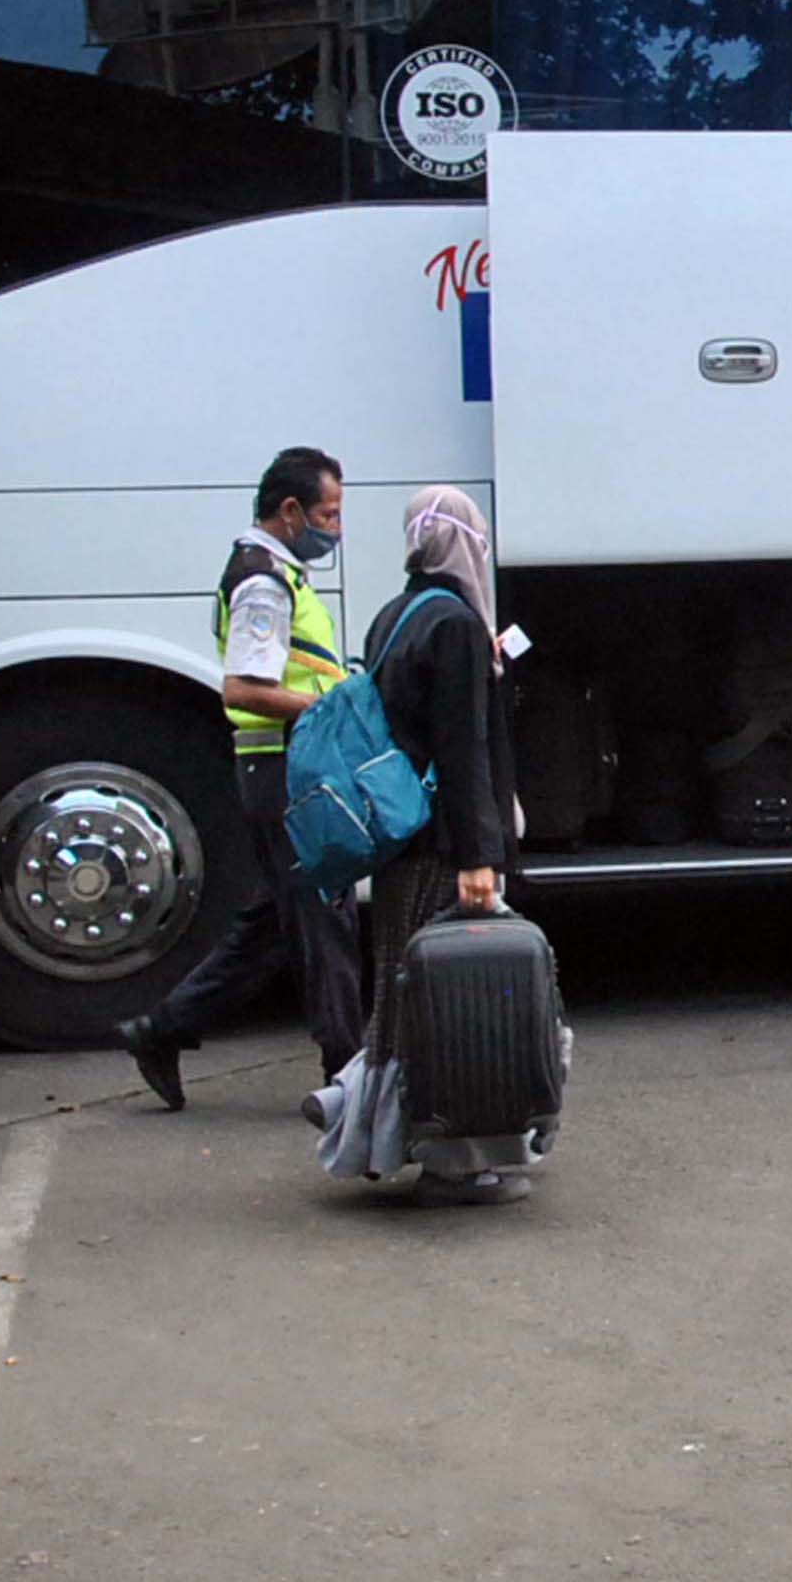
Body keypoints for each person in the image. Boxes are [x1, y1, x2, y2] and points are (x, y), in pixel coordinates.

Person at [117, 446, 366, 1110]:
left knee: (270, 925)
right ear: (289, 512)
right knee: (326, 921)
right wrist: (331, 706)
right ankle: (351, 1077)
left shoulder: (276, 572)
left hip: (280, 771)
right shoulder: (263, 582)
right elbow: (246, 687)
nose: (334, 529)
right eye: (327, 514)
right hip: (288, 772)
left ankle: (162, 1028)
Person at [303, 483, 527, 1200]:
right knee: (455, 1005)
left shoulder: (394, 615)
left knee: (401, 996)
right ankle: (450, 1161)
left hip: (401, 842)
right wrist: (479, 859)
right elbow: (462, 751)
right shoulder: (456, 625)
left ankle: (362, 1119)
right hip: (442, 847)